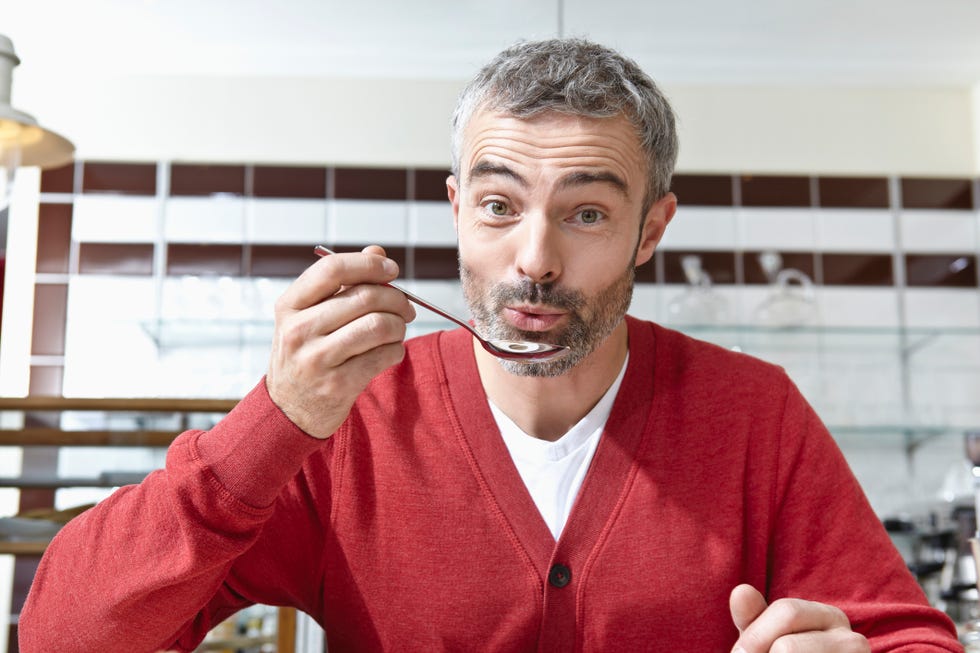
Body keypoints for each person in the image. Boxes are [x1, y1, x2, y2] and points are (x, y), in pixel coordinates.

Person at [19, 38, 961, 653]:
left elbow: (917, 641)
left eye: (587, 212)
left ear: (651, 230)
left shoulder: (753, 414)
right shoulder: (345, 426)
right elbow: (65, 635)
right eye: (500, 206)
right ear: (456, 211)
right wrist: (274, 421)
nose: (535, 258)